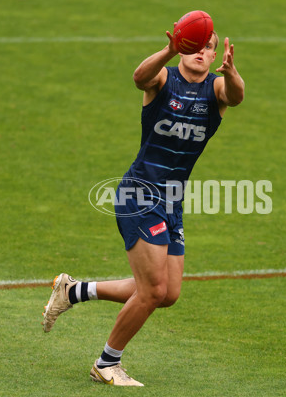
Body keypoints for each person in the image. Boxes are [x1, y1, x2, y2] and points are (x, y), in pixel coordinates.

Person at [42, 25, 245, 386]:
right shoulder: (163, 79)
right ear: (183, 47)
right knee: (151, 290)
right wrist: (167, 51)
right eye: (194, 45)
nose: (201, 52)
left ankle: (74, 290)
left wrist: (232, 74)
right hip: (139, 193)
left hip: (172, 200)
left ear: (215, 56)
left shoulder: (216, 89)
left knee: (167, 294)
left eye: (208, 48)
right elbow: (139, 77)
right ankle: (106, 363)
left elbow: (236, 96)